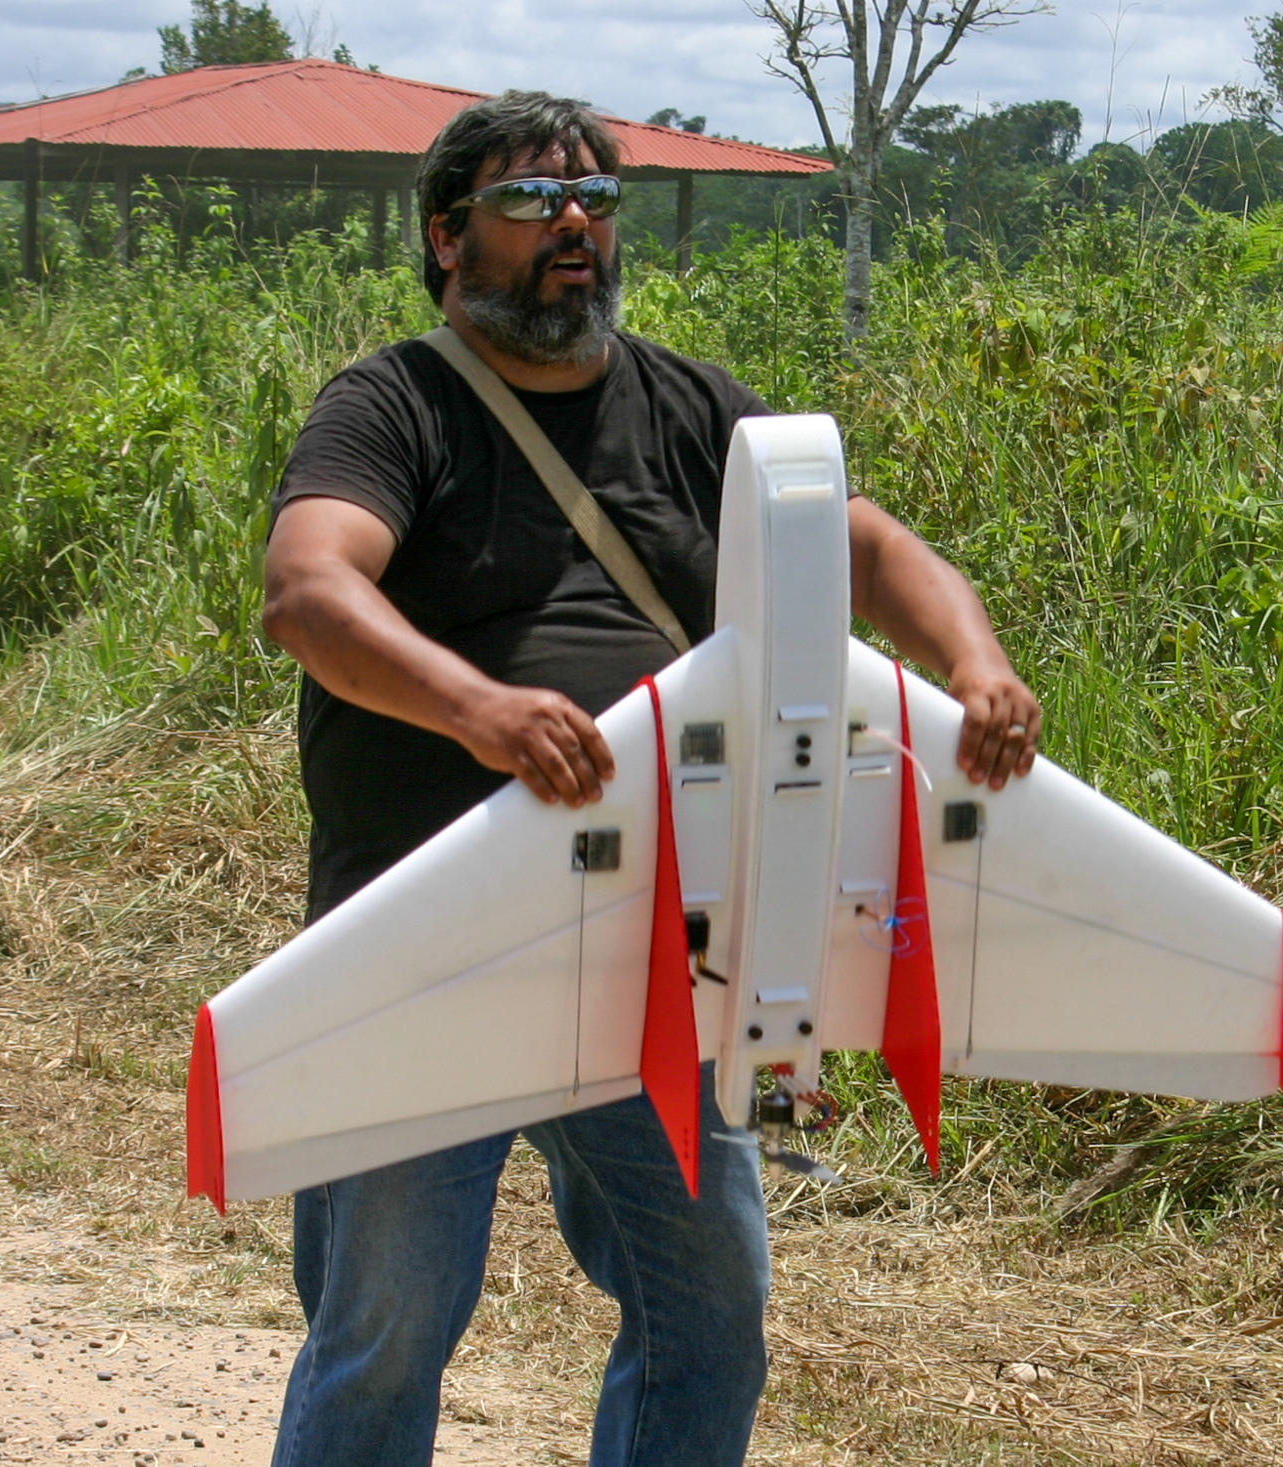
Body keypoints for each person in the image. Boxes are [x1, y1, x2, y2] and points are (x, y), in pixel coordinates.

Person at [258, 91, 1041, 1467]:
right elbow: (311, 597)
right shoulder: (394, 405)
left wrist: (973, 668)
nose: (574, 224)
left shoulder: (695, 409)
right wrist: (479, 710)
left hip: (662, 951)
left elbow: (869, 553)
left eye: (595, 202)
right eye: (531, 202)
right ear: (447, 238)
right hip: (432, 942)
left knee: (711, 1314)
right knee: (385, 1332)